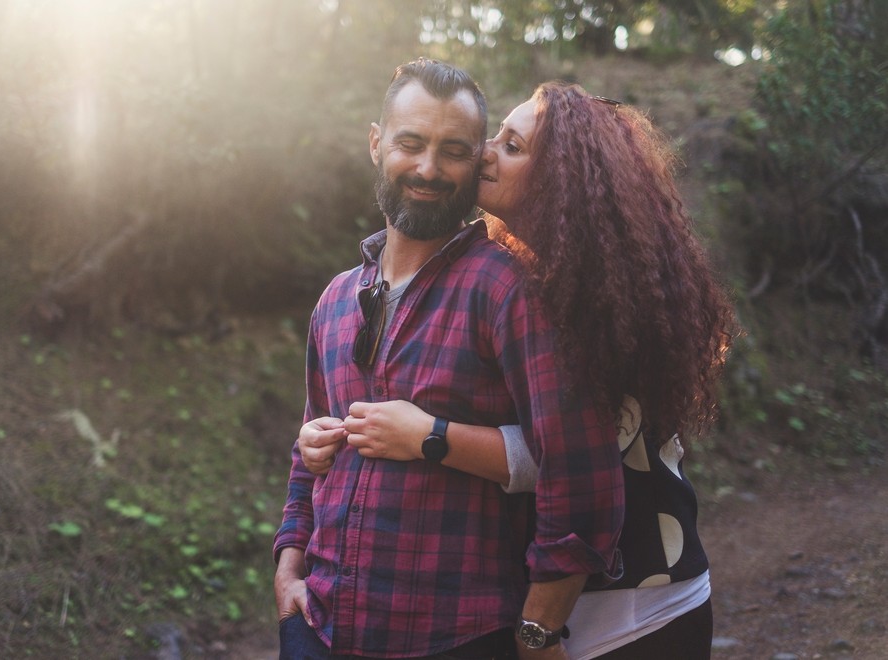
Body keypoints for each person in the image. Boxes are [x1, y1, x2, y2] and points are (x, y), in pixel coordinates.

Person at [299, 82, 735, 659]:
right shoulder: (534, 273)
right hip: (551, 599)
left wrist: (427, 436)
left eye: (511, 146)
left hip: (635, 601)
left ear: (560, 178)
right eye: (494, 138)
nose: (484, 154)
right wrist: (337, 440)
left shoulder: (596, 300)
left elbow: (576, 460)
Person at [274, 61, 625, 660]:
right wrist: (287, 570)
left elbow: (580, 477)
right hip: (319, 628)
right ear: (376, 143)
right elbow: (307, 459)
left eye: (454, 151)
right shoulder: (334, 301)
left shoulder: (509, 291)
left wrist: (537, 634)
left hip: (455, 636)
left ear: (476, 161)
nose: (429, 169)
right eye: (410, 144)